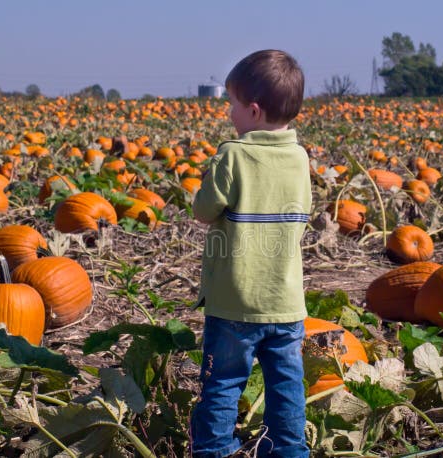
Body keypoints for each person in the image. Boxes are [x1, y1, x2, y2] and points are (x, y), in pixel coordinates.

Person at [190, 49, 312, 458]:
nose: (229, 112)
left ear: (254, 112)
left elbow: (204, 211)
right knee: (287, 384)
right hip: (285, 302)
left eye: (233, 104)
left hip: (234, 303)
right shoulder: (300, 159)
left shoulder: (233, 155)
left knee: (223, 382)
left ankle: (214, 451)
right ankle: (291, 450)